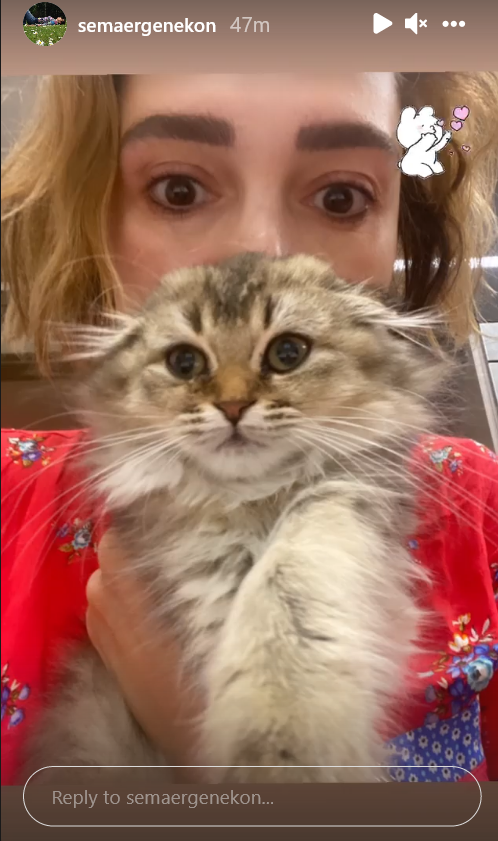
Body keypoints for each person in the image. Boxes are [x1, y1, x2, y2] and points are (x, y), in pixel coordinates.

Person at [1, 73, 498, 786]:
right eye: (178, 190)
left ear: (402, 231)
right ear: (93, 212)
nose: (259, 249)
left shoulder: (484, 511)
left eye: (341, 197)